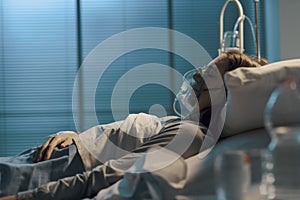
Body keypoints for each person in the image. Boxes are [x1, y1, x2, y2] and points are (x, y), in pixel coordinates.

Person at [0, 52, 268, 200]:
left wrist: (28, 199)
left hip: (58, 168)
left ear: (224, 95)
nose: (197, 77)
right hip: (59, 157)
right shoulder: (182, 125)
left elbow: (110, 174)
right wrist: (76, 136)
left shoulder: (189, 135)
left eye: (208, 75)